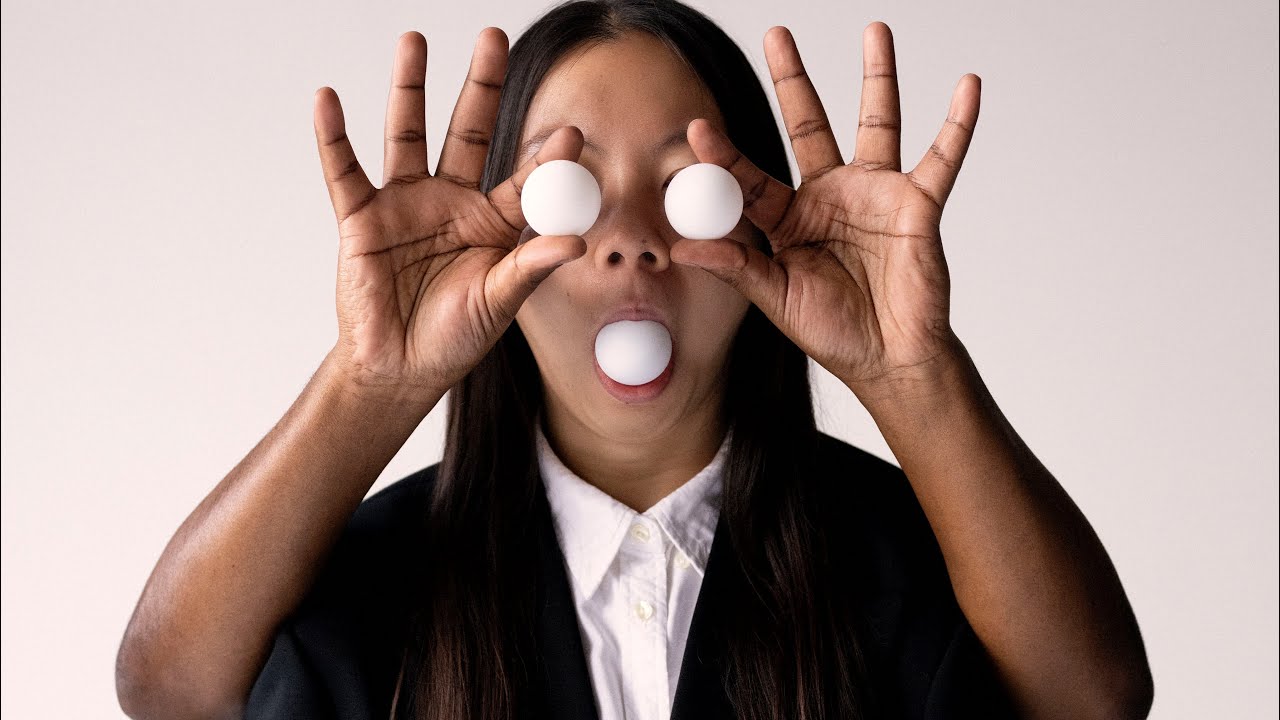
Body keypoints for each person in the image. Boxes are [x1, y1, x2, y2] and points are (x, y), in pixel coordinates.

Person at [114, 1, 1154, 719]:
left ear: (762, 229)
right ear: (494, 247)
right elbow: (171, 693)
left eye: (685, 186)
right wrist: (369, 381)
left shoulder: (906, 567)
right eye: (567, 188)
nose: (629, 241)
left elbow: (1090, 701)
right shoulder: (375, 589)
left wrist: (908, 373)